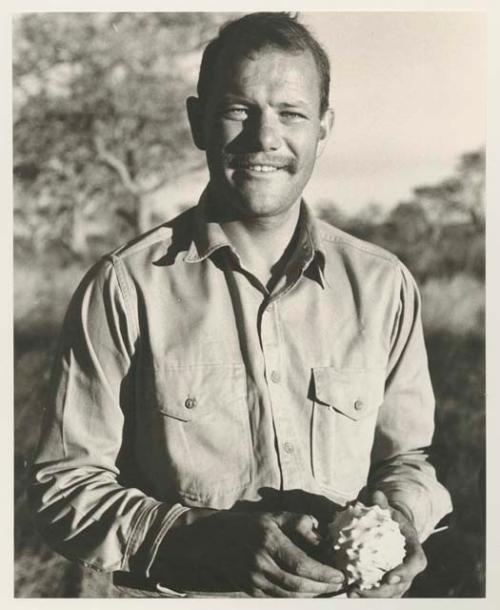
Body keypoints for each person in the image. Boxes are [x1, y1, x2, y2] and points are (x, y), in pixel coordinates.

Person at [29, 12, 452, 598]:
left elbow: (408, 458)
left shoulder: (384, 286)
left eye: (292, 113)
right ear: (198, 120)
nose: (265, 138)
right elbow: (64, 486)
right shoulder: (123, 287)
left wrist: (401, 522)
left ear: (324, 127)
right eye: (238, 110)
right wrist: (192, 540)